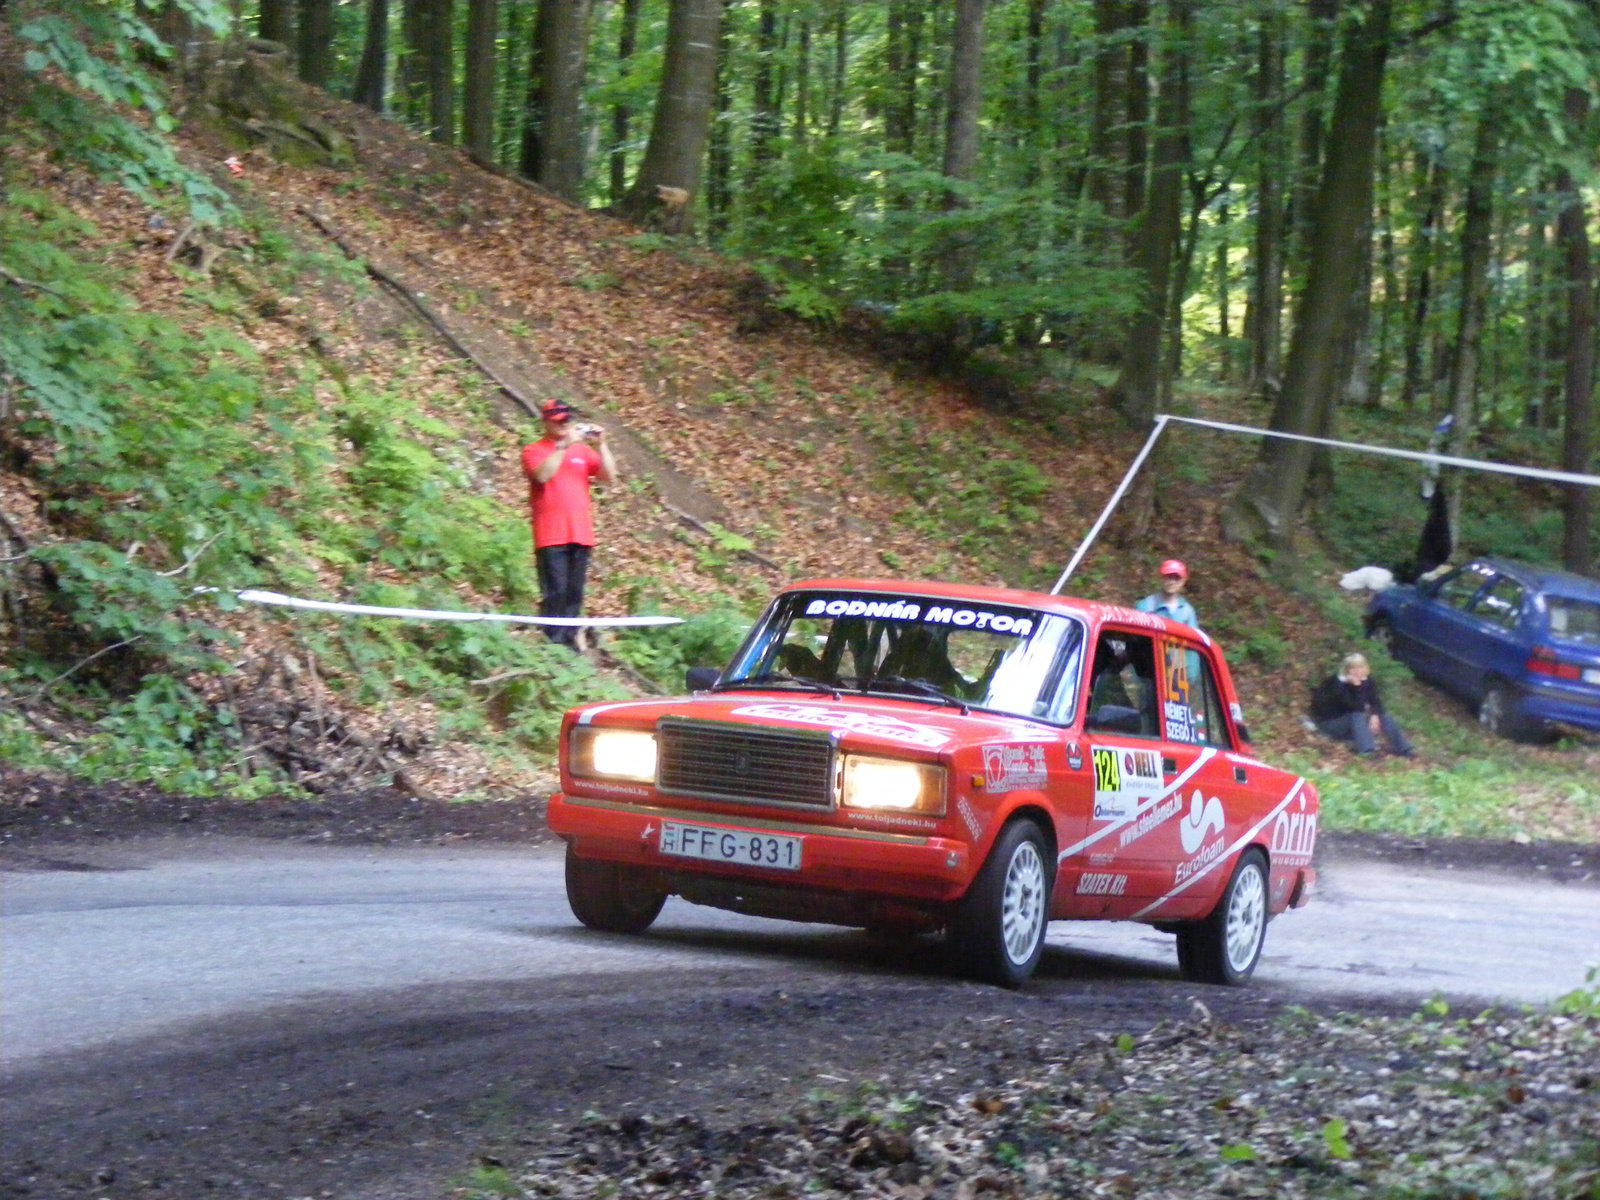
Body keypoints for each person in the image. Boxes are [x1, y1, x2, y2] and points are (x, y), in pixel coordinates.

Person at [522, 398, 617, 649]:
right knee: (555, 590)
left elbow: (609, 476)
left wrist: (602, 446)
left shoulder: (582, 451)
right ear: (545, 422)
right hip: (551, 533)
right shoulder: (535, 450)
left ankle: (569, 640)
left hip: (580, 532)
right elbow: (542, 475)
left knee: (574, 592)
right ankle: (552, 641)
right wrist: (563, 447)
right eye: (558, 421)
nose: (564, 425)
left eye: (566, 420)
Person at [1309, 652, 1414, 757]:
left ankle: (1403, 748)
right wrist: (1357, 687)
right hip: (1329, 723)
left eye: (1360, 667)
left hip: (1351, 724)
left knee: (1383, 716)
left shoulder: (1367, 681)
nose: (1357, 671)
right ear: (1346, 669)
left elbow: (1375, 701)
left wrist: (1374, 715)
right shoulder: (1337, 684)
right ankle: (1367, 750)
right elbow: (1355, 707)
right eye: (1353, 668)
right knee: (1357, 715)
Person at [1135, 559, 1199, 629]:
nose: (1171, 582)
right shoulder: (1145, 605)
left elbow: (1193, 636)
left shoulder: (1187, 611)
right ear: (1161, 578)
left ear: (1182, 582)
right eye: (1168, 577)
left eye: (1176, 578)